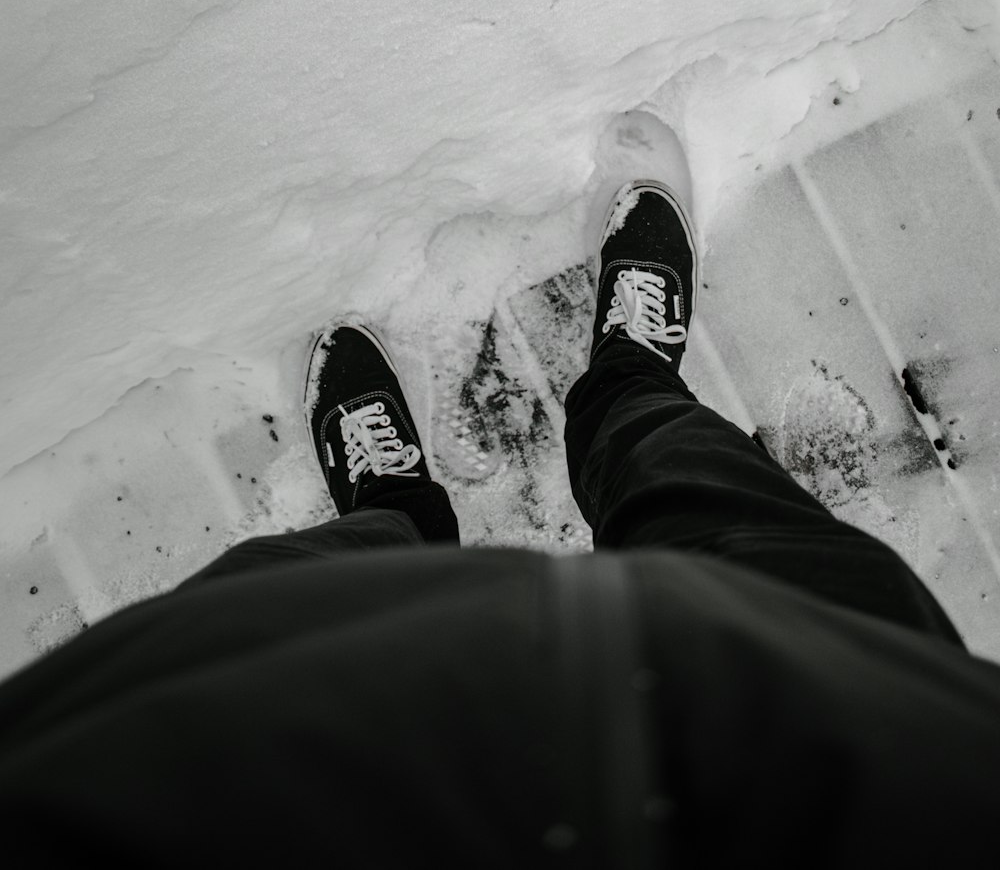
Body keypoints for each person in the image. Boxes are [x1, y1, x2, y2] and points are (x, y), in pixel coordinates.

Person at [1, 178, 999, 868]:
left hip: (267, 777)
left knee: (294, 600)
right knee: (714, 506)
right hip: (868, 760)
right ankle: (628, 378)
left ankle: (394, 512)